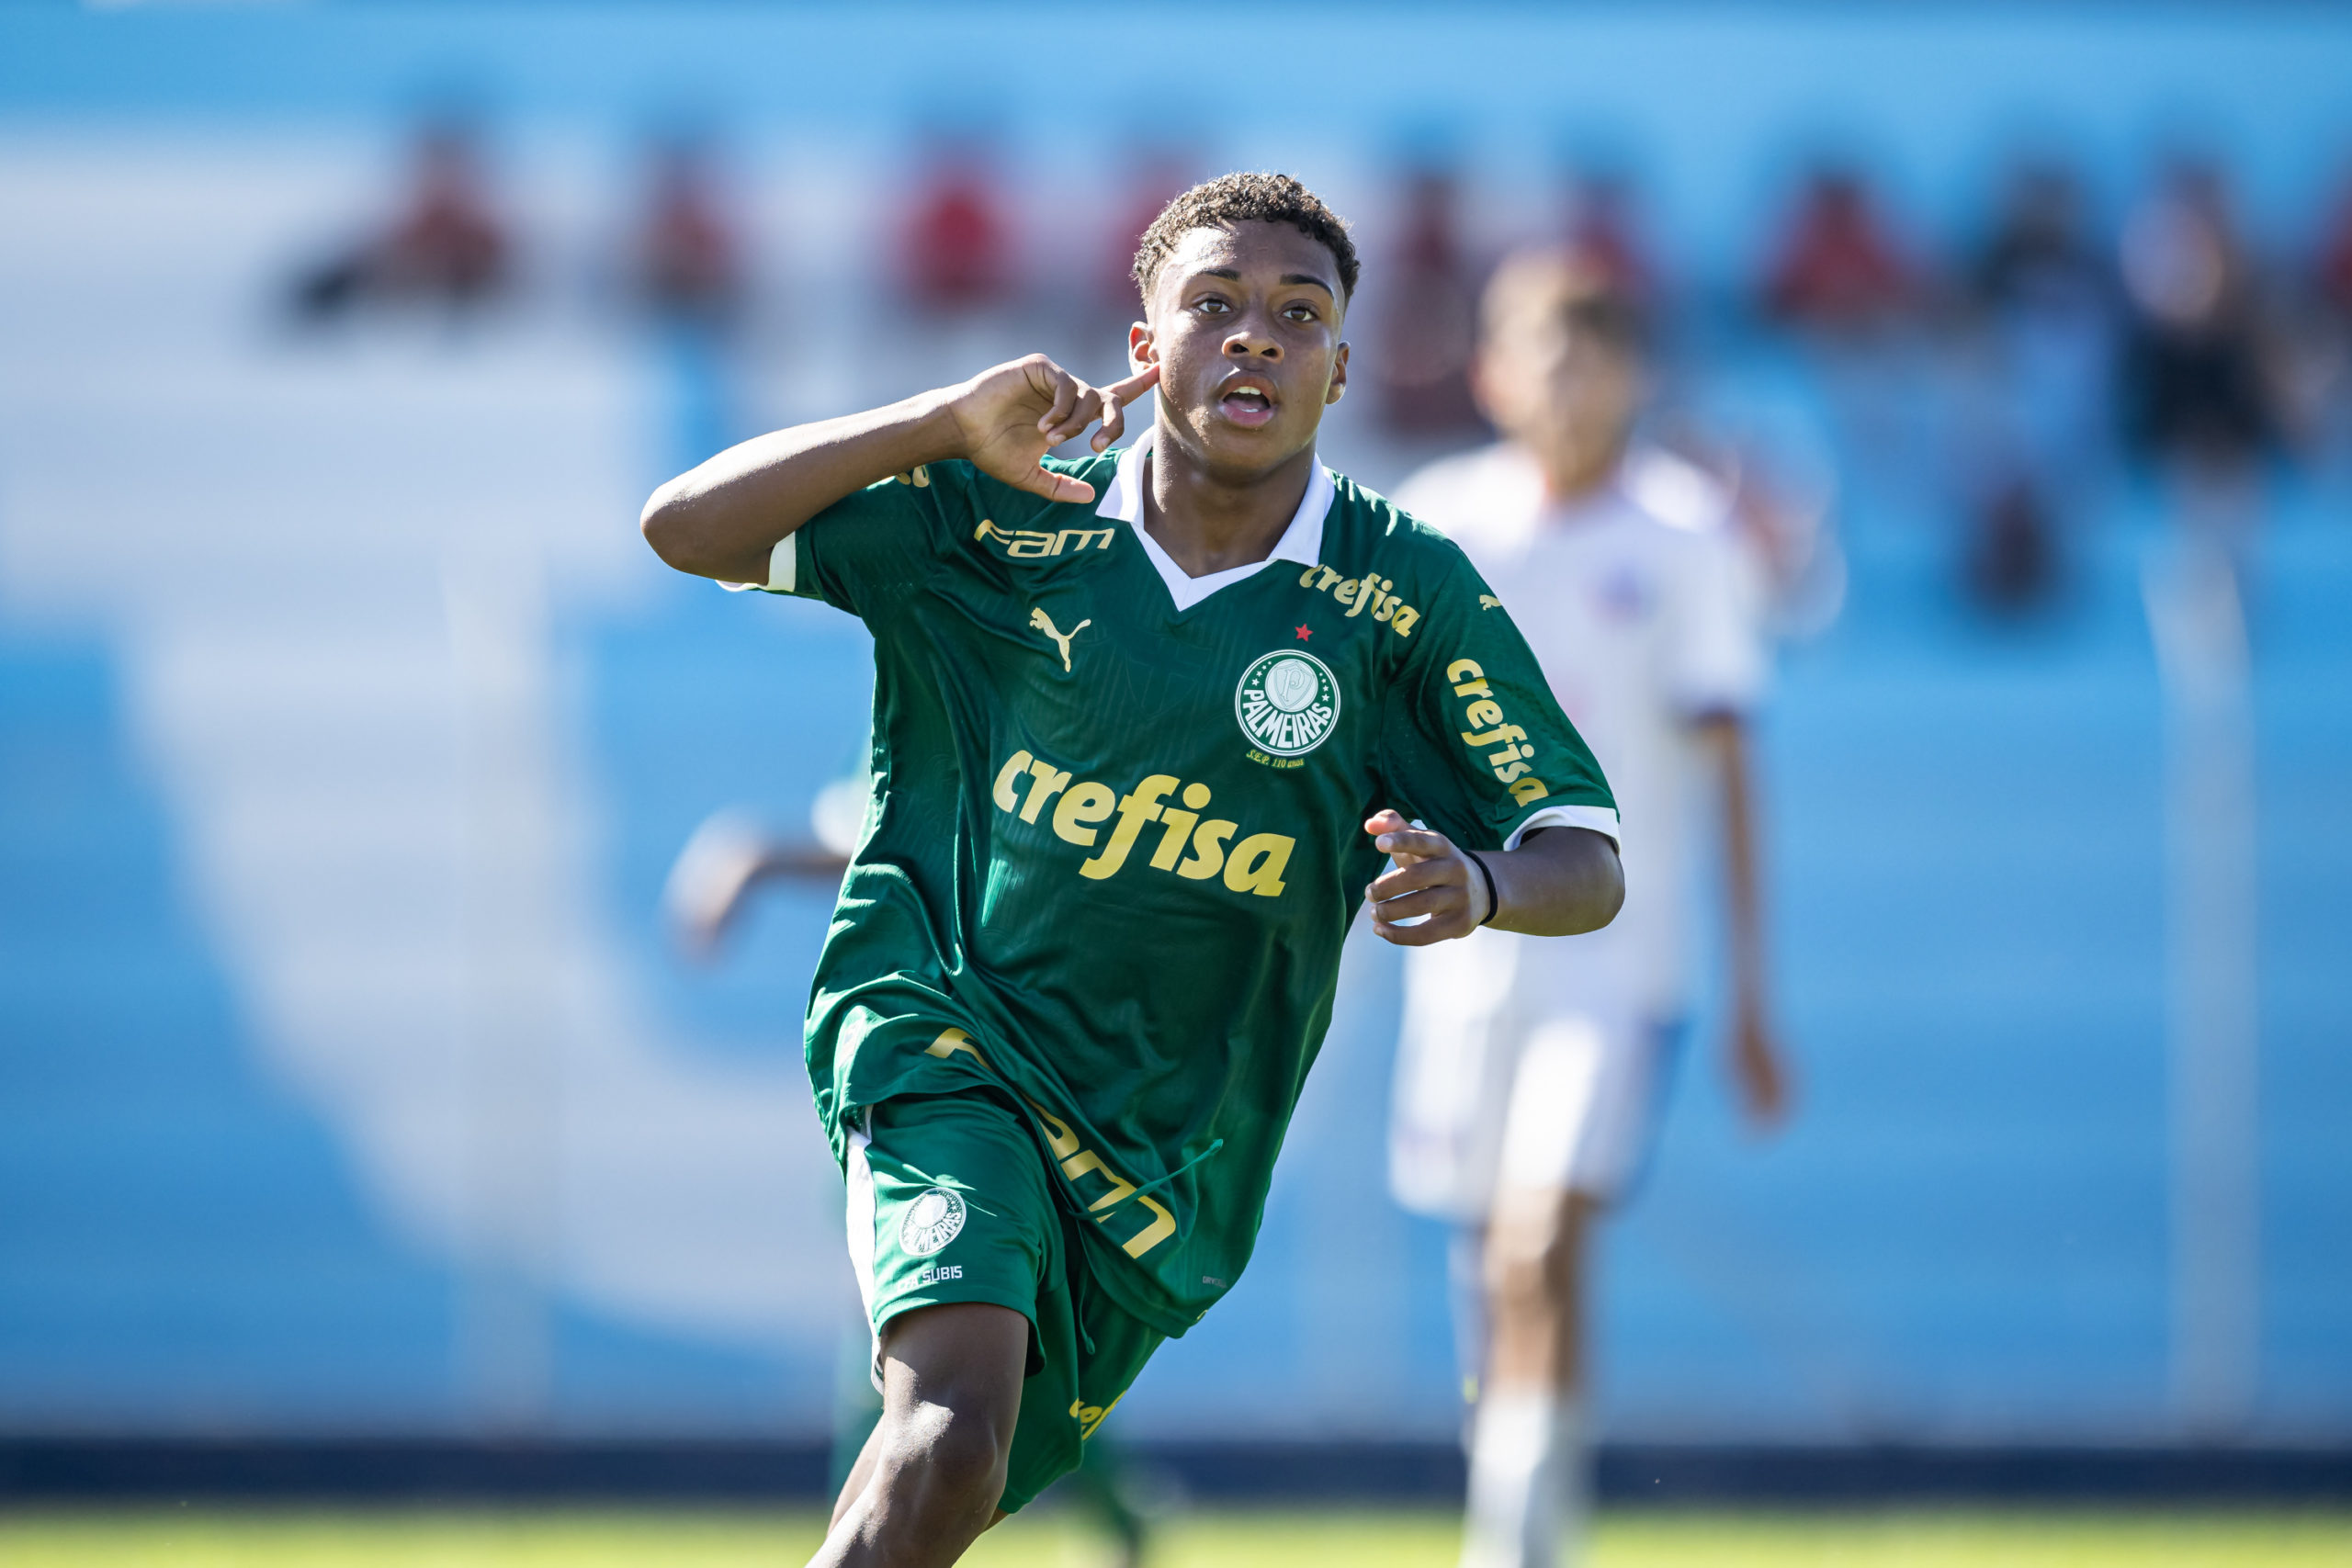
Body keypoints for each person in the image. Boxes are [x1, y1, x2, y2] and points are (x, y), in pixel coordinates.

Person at [639, 173, 1626, 1568]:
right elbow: (685, 527)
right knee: (944, 1430)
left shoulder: (1403, 596)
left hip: (1161, 1157)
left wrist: (1482, 883)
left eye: (1299, 314)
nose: (1255, 339)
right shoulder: (1008, 510)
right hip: (945, 1034)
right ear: (1146, 343)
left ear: (1342, 367)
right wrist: (932, 422)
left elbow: (1585, 858)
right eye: (1212, 306)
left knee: (955, 1482)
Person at [1385, 250, 1792, 1568]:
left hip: (1620, 960)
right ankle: (1534, 1504)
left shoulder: (1681, 537)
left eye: (1595, 353)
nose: (1568, 382)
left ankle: (1513, 1542)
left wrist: (1751, 996)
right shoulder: (1442, 523)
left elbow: (1730, 762)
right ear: (1494, 373)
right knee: (1494, 1256)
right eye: (1542, 352)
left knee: (1539, 1228)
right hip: (1468, 959)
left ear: (1634, 376)